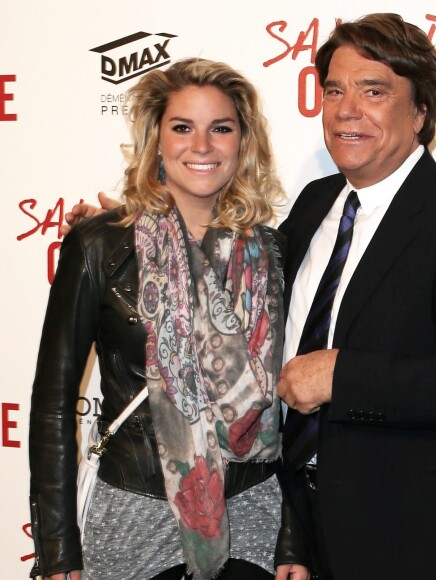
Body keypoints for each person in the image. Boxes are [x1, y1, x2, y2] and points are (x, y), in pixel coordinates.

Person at [62, 13, 436, 580]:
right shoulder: (315, 204)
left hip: (417, 538)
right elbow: (224, 286)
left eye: (374, 91)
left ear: (422, 111)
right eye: (334, 89)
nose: (346, 108)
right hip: (298, 535)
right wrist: (134, 231)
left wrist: (342, 375)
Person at [29, 58, 310, 580]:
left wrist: (293, 538)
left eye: (220, 128)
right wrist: (57, 549)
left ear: (241, 143)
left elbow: (290, 414)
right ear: (157, 139)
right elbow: (52, 405)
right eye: (183, 127)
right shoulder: (99, 245)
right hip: (135, 513)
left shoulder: (272, 252)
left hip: (253, 512)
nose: (201, 145)